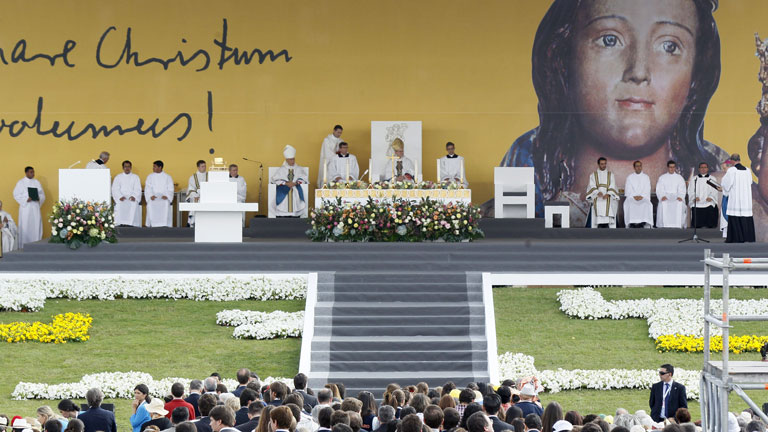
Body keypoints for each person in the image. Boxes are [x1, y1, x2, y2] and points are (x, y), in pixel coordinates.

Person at [497, 0, 728, 226]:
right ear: (563, 56)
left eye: (669, 46)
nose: (638, 72)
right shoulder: (525, 160)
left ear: (696, 73)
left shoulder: (716, 168)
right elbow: (511, 235)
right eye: (610, 40)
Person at [722, 154, 756, 242]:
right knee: (745, 217)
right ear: (739, 160)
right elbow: (750, 182)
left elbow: (726, 184)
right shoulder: (748, 170)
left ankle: (736, 238)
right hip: (745, 199)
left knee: (735, 216)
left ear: (732, 161)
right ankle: (747, 238)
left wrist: (725, 191)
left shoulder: (732, 170)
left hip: (736, 199)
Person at [270, 145, 309, 217]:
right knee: (285, 193)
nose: (293, 161)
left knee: (295, 193)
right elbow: (275, 179)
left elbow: (304, 178)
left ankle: (295, 214)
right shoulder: (282, 169)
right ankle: (283, 214)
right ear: (286, 160)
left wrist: (296, 183)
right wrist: (285, 183)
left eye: (293, 159)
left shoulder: (299, 168)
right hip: (284, 188)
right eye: (291, 159)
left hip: (295, 187)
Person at [13, 166, 45, 247]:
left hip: (35, 207)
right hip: (26, 208)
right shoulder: (21, 182)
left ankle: (36, 244)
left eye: (33, 172)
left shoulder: (37, 182)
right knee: (26, 225)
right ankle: (24, 245)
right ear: (26, 173)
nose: (33, 174)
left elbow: (42, 195)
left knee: (36, 224)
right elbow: (16, 194)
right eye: (31, 172)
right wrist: (26, 199)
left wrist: (39, 198)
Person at [585, 157, 618, 228]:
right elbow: (592, 185)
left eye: (605, 164)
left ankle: (608, 223)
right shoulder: (593, 175)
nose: (604, 165)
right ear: (598, 164)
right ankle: (598, 223)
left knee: (609, 202)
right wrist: (597, 192)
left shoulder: (610, 175)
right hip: (597, 195)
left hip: (608, 195)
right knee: (598, 202)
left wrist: (608, 194)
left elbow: (612, 185)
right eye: (602, 164)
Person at [688, 162, 721, 228]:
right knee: (695, 209)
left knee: (711, 208)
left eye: (705, 167)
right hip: (698, 202)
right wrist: (694, 197)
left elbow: (715, 190)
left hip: (708, 202)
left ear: (707, 169)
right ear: (699, 169)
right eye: (701, 167)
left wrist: (711, 197)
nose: (703, 169)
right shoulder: (694, 179)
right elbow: (691, 190)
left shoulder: (712, 179)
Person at [656, 161, 687, 228]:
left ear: (675, 167)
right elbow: (659, 189)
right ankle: (664, 225)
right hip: (666, 196)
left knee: (679, 203)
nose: (672, 169)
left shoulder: (679, 178)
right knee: (663, 204)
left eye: (673, 167)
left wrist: (680, 196)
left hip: (676, 196)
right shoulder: (662, 177)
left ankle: (678, 225)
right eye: (670, 167)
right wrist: (662, 196)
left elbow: (682, 189)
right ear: (668, 167)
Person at [623, 161, 653, 228]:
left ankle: (643, 222)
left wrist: (642, 196)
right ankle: (632, 223)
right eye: (637, 166)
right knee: (630, 203)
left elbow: (647, 188)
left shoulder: (646, 177)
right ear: (634, 167)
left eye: (640, 166)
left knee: (645, 203)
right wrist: (634, 196)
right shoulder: (630, 177)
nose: (639, 167)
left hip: (643, 197)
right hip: (632, 197)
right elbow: (628, 188)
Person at [112, 160, 142, 227]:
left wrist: (134, 196)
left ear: (131, 167)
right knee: (119, 205)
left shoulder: (135, 177)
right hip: (121, 198)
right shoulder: (118, 177)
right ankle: (120, 223)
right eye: (125, 166)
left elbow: (137, 189)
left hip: (132, 198)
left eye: (128, 167)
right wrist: (119, 196)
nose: (127, 168)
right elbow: (115, 189)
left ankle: (132, 224)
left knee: (133, 205)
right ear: (123, 167)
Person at [145, 161, 175, 227]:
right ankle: (153, 224)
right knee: (150, 203)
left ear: (160, 167)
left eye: (154, 166)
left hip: (163, 198)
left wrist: (167, 196)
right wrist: (150, 195)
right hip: (153, 198)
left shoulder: (167, 177)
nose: (153, 168)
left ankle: (164, 224)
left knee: (165, 203)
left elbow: (170, 188)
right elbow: (148, 188)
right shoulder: (150, 177)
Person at [185, 160, 208, 227]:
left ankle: (206, 222)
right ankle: (193, 222)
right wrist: (195, 195)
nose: (204, 168)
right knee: (196, 201)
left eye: (205, 166)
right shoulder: (193, 177)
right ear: (198, 167)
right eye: (202, 166)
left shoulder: (209, 176)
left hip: (207, 196)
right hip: (196, 196)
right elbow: (191, 189)